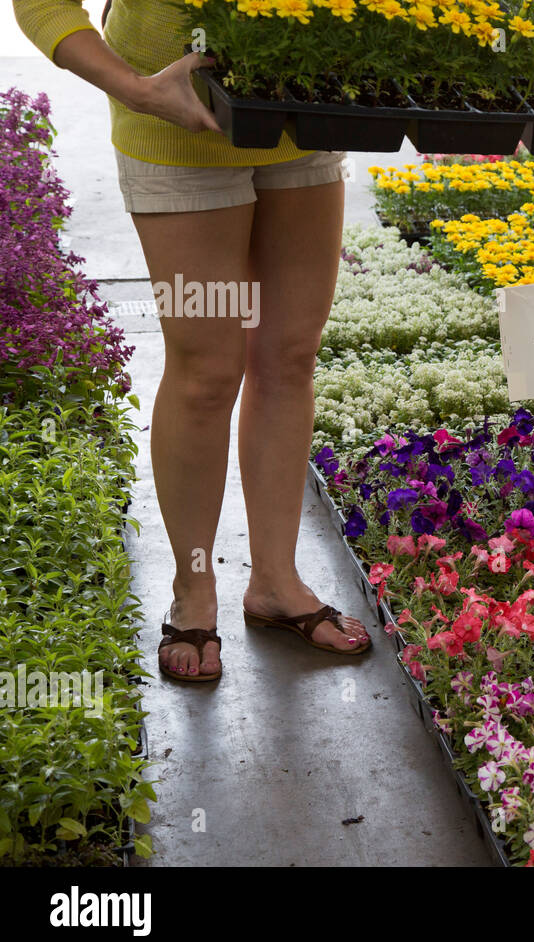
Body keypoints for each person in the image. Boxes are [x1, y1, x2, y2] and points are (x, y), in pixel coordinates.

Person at [14, 0, 374, 683]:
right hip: (174, 131)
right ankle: (194, 587)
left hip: (305, 122)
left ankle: (274, 580)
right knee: (208, 371)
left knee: (288, 358)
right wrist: (136, 87)